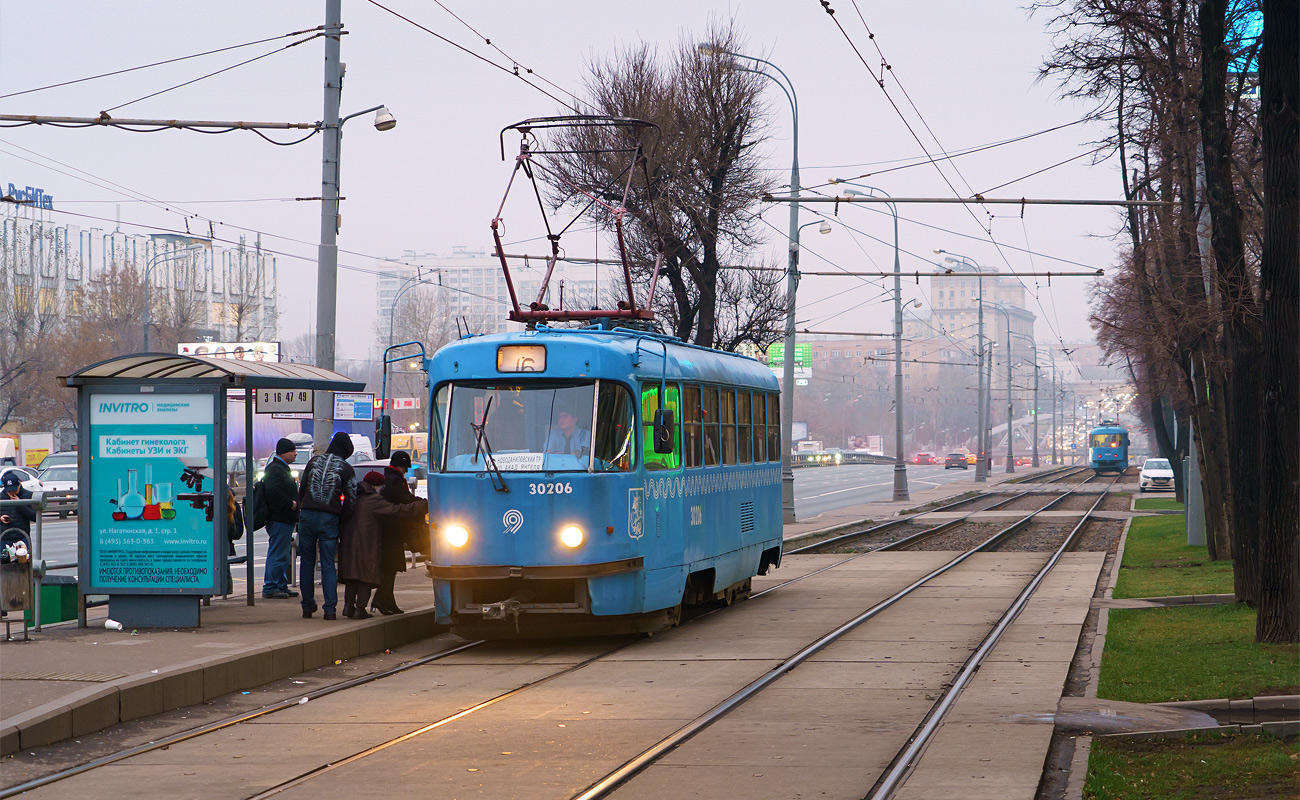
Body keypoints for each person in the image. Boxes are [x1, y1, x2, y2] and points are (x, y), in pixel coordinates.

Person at [338, 470, 427, 619]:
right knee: (366, 575)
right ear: (375, 486)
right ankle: (360, 609)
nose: (381, 490)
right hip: (366, 543)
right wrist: (421, 505)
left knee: (352, 576)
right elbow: (396, 510)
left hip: (348, 543)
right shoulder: (373, 499)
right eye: (381, 487)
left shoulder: (353, 496)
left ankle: (348, 607)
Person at [296, 432, 357, 620]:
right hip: (329, 517)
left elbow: (302, 489)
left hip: (307, 515)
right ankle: (329, 609)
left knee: (307, 562)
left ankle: (307, 607)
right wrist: (341, 518)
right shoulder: (345, 468)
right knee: (328, 563)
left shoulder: (313, 462)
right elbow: (351, 499)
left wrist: (302, 509)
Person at [374, 450, 425, 614]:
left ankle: (386, 600)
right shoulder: (394, 480)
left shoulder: (389, 478)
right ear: (401, 465)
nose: (406, 471)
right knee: (390, 567)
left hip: (389, 529)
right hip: (391, 530)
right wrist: (424, 503)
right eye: (405, 467)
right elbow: (406, 499)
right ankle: (382, 600)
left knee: (391, 567)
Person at [260, 438, 300, 599]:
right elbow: (273, 491)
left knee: (283, 554)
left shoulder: (279, 468)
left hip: (284, 519)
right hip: (279, 518)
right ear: (283, 452)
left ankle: (281, 585)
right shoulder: (276, 470)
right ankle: (270, 586)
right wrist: (290, 503)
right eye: (292, 451)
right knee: (277, 553)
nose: (295, 453)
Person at [0, 472, 35, 539]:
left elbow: (34, 517)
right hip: (4, 536)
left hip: (22, 535)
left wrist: (19, 503)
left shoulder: (28, 495)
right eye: (9, 491)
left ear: (19, 484)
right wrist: (1, 518)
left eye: (14, 490)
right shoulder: (1, 496)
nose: (12, 492)